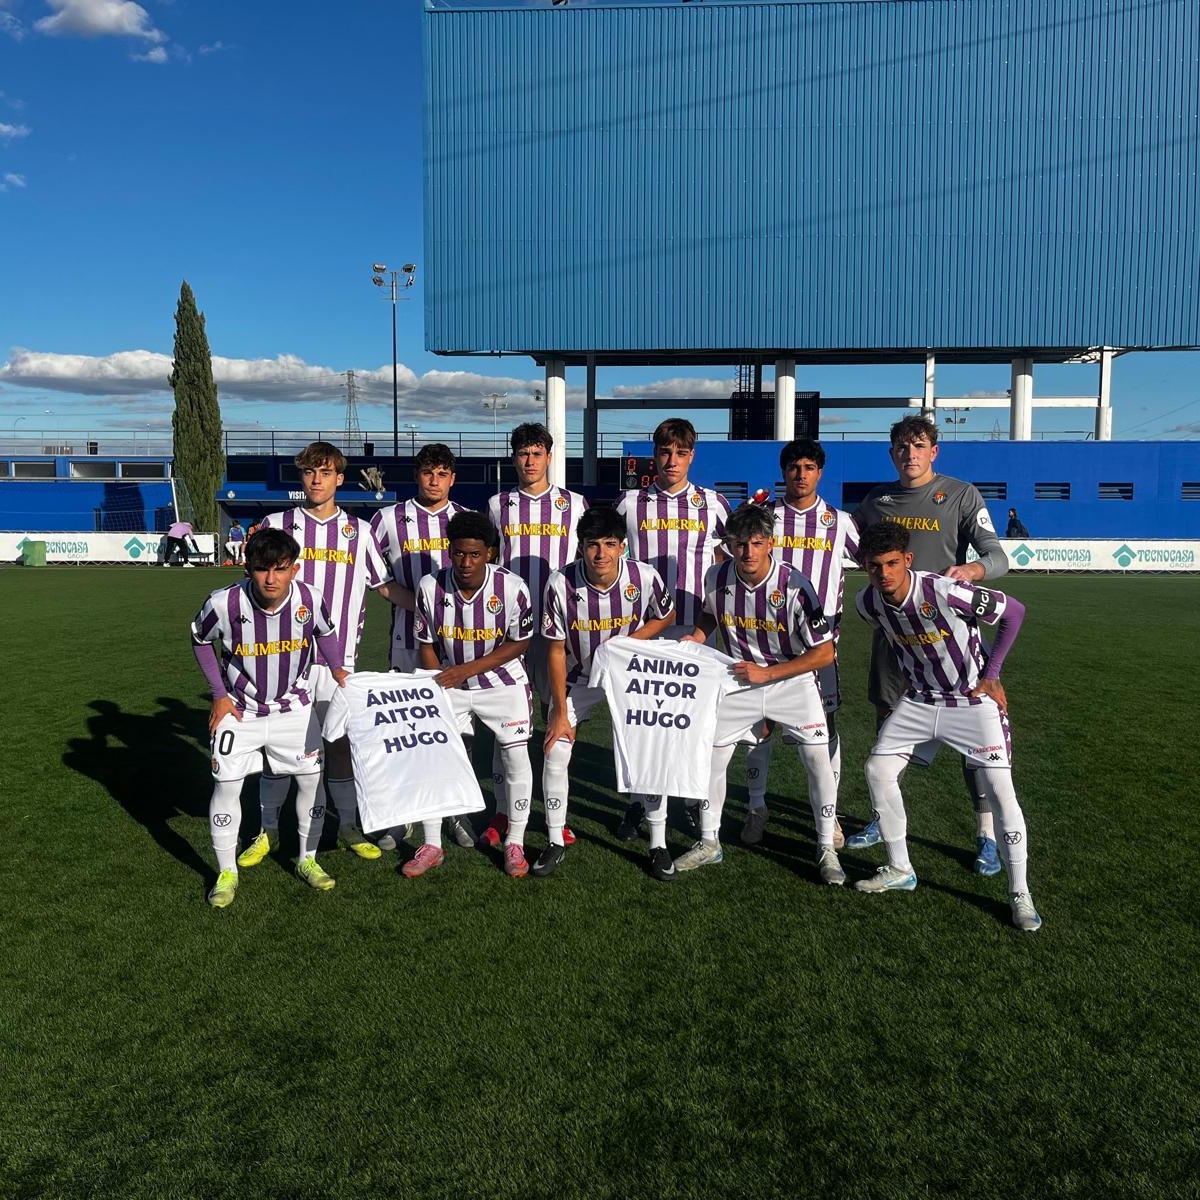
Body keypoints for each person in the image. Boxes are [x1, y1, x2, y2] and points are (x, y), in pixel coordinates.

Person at [852, 521, 1041, 932]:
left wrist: (991, 675)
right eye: (873, 566)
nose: (883, 574)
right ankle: (900, 867)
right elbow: (902, 639)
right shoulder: (867, 603)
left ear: (908, 560)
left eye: (890, 564)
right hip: (919, 701)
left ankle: (1019, 893)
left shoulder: (943, 590)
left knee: (1001, 793)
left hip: (972, 702)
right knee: (876, 771)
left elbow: (1014, 613)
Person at [847, 415, 1010, 877]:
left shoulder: (961, 495)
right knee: (886, 726)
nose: (909, 454)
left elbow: (997, 556)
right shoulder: (876, 502)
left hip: (949, 640)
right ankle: (883, 819)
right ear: (892, 452)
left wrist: (972, 572)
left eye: (918, 446)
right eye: (901, 446)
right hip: (893, 637)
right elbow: (846, 544)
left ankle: (986, 836)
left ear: (933, 451)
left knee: (974, 743)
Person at [240, 441, 404, 870]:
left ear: (339, 479)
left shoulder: (361, 532)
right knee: (278, 749)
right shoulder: (277, 524)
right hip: (281, 660)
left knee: (338, 745)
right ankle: (268, 831)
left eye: (325, 472)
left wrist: (434, 606)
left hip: (338, 662)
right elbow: (252, 583)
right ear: (302, 478)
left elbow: (383, 585)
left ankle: (347, 825)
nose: (316, 479)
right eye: (310, 472)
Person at [680, 503, 844, 883]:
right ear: (728, 545)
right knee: (712, 759)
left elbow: (824, 652)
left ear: (770, 543)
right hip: (739, 680)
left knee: (817, 759)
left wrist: (769, 673)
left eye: (756, 543)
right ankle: (709, 842)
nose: (748, 552)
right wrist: (698, 636)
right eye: (739, 544)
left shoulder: (795, 585)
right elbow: (709, 613)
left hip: (791, 680)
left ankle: (825, 847)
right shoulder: (715, 578)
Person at [192, 527, 348, 907]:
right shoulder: (224, 603)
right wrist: (217, 695)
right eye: (262, 569)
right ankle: (226, 871)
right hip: (239, 712)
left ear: (294, 569)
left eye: (280, 568)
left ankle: (306, 860)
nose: (271, 578)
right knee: (226, 786)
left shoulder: (309, 598)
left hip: (293, 710)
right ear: (249, 568)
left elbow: (326, 634)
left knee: (311, 783)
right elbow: (199, 638)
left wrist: (342, 673)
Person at [539, 505, 676, 878]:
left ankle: (658, 843)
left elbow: (665, 614)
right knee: (555, 751)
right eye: (592, 544)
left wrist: (627, 644)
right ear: (580, 547)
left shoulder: (643, 577)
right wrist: (558, 712)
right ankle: (554, 840)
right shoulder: (560, 583)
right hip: (578, 679)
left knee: (648, 751)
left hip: (629, 677)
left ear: (622, 547)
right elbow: (553, 648)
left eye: (609, 544)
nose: (601, 553)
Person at [613, 416, 731, 839]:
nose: (672, 460)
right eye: (665, 451)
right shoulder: (630, 504)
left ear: (692, 456)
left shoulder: (713, 504)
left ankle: (686, 801)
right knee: (642, 716)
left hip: (697, 626)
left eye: (681, 452)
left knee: (692, 718)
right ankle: (637, 802)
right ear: (654, 454)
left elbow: (728, 559)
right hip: (644, 626)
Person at [742, 438, 859, 846]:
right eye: (794, 466)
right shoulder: (764, 517)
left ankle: (830, 816)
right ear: (783, 471)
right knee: (758, 728)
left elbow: (875, 564)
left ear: (820, 473)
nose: (801, 474)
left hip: (817, 646)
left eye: (809, 467)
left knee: (824, 729)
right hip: (761, 642)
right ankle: (756, 806)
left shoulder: (839, 521)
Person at [415, 512, 536, 878]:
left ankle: (514, 841)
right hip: (450, 683)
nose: (466, 563)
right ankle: (432, 843)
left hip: (504, 685)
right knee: (435, 758)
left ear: (491, 553)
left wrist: (466, 670)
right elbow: (426, 644)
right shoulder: (429, 587)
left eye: (475, 555)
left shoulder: (512, 587)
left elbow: (521, 641)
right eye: (458, 554)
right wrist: (438, 681)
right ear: (449, 551)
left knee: (515, 759)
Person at [485, 422, 588, 843]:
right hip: (511, 629)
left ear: (549, 456)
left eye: (537, 453)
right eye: (522, 453)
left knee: (556, 716)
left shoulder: (574, 504)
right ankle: (501, 811)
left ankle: (554, 814)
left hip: (558, 628)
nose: (529, 461)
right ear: (514, 458)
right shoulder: (498, 504)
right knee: (505, 719)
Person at [371, 442, 476, 850]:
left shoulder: (466, 519)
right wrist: (423, 604)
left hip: (459, 639)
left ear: (452, 478)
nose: (435, 480)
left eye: (443, 473)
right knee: (406, 726)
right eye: (427, 472)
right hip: (405, 637)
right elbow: (378, 579)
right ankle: (405, 816)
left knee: (457, 725)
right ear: (417, 476)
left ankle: (455, 810)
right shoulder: (387, 520)